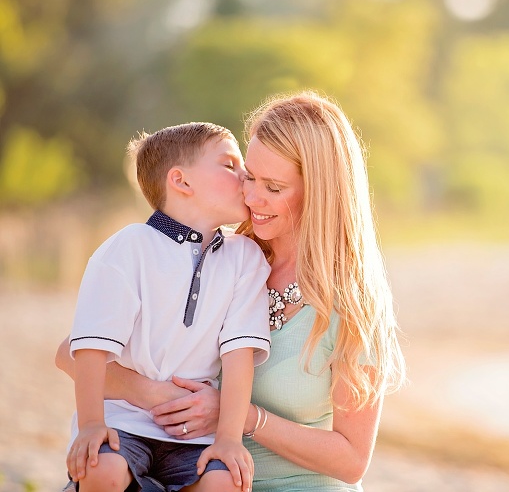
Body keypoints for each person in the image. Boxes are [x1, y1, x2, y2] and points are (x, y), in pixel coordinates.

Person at [57, 90, 406, 491]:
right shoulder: (229, 255)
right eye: (249, 177)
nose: (252, 196)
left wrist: (237, 415)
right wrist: (158, 396)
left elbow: (352, 461)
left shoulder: (353, 301)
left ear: (321, 193)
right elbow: (70, 354)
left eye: (274, 188)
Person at [63, 122, 271, 492]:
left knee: (226, 483)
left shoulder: (246, 257)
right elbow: (91, 347)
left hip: (195, 434)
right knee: (102, 470)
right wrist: (92, 423)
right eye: (230, 165)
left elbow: (239, 353)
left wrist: (228, 437)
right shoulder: (129, 248)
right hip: (124, 422)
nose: (246, 177)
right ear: (181, 181)